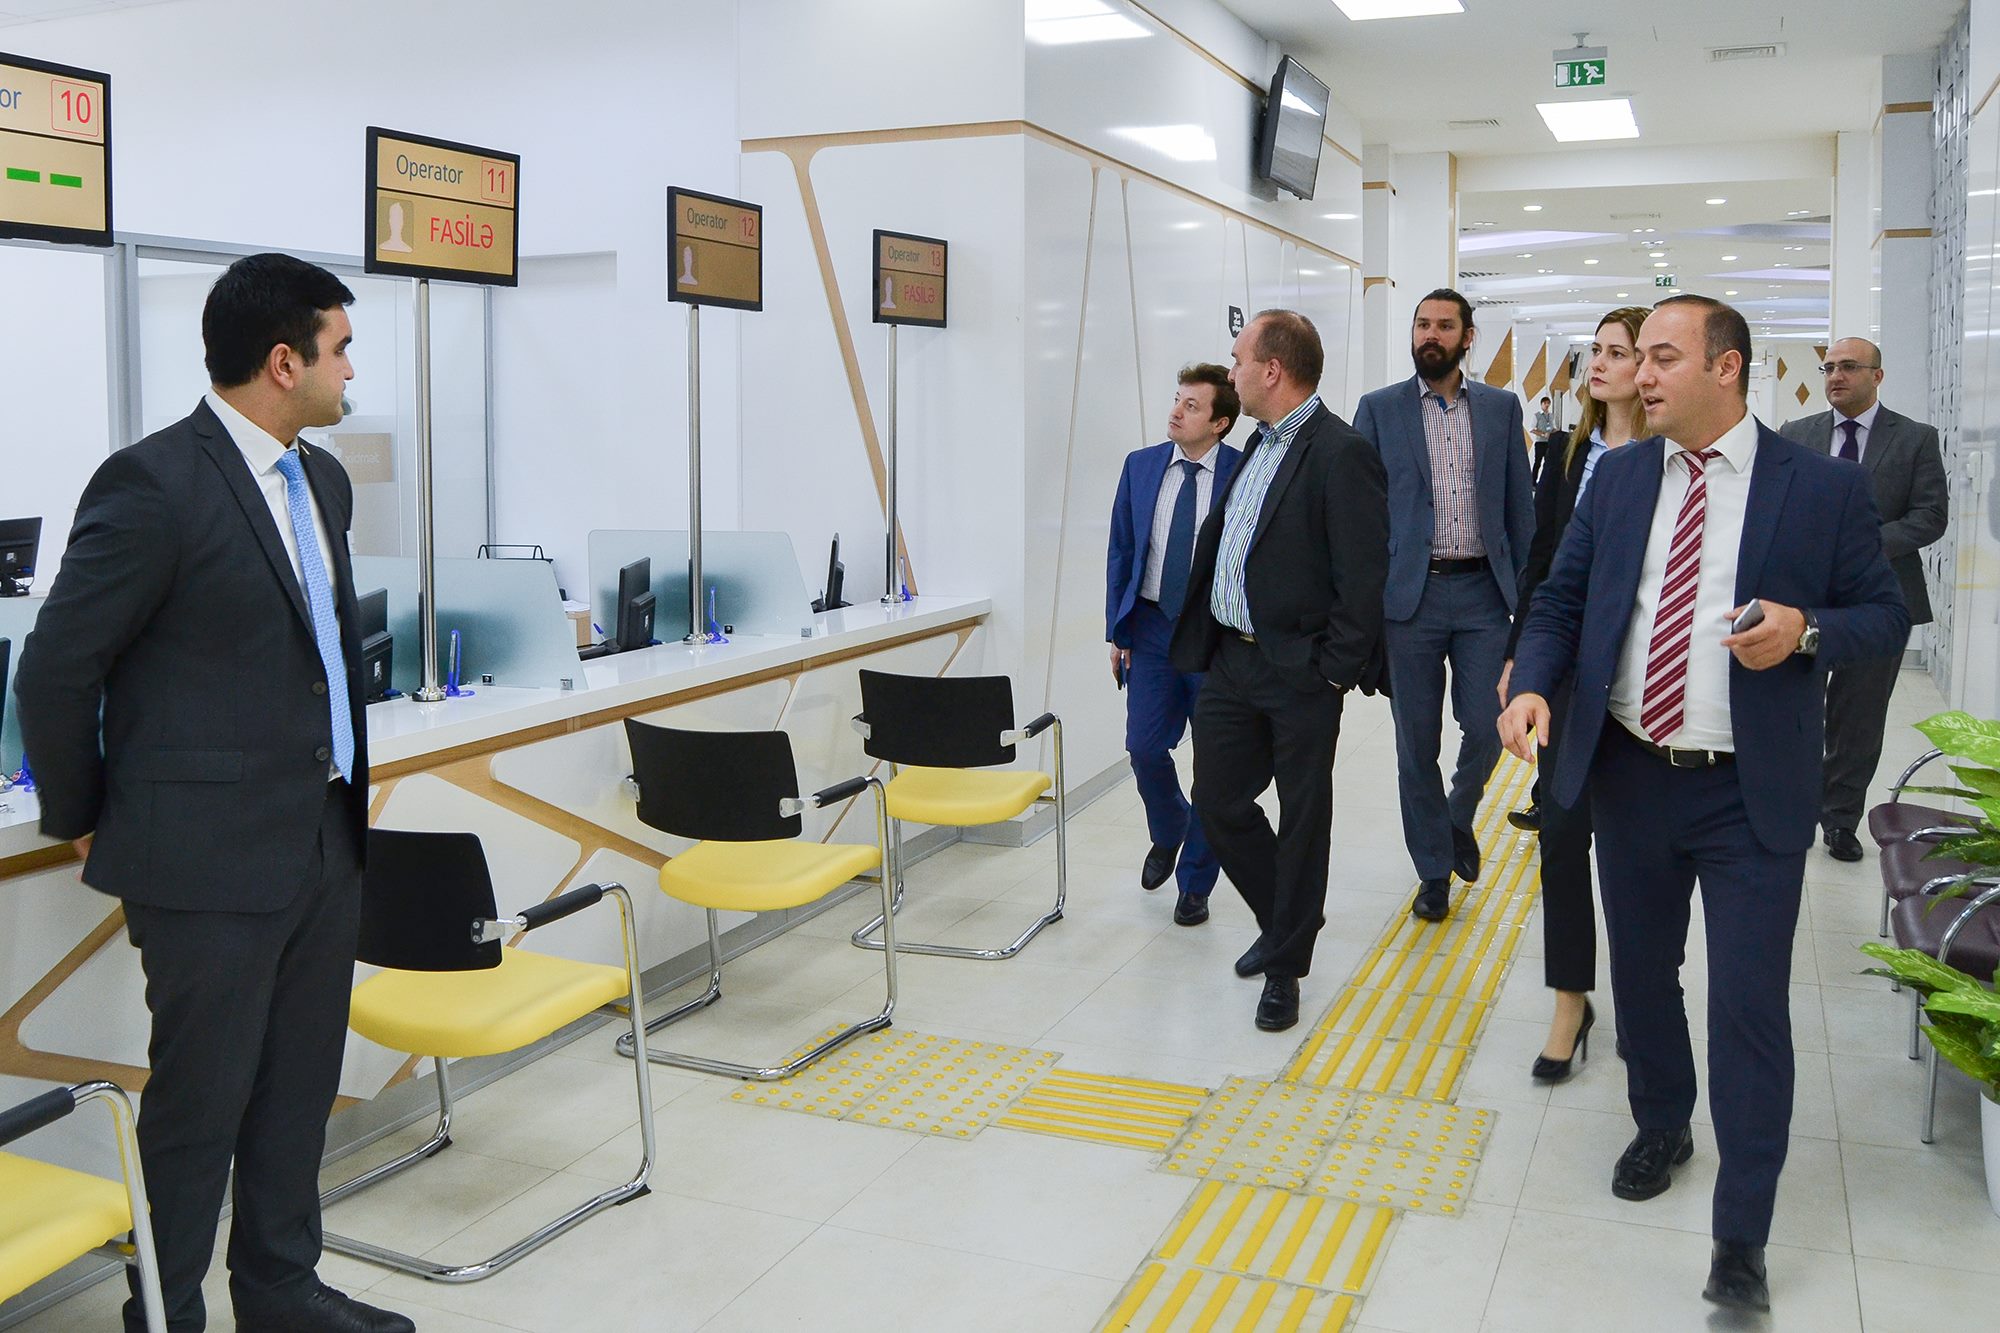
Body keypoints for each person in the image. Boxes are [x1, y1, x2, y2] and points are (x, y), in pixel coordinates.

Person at [15, 254, 410, 1333]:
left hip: (324, 835)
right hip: (204, 857)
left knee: (297, 1088)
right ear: (284, 361)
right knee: (200, 1104)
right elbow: (56, 669)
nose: (351, 370)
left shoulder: (322, 480)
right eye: (340, 349)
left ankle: (280, 1289)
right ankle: (168, 1311)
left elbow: (311, 653)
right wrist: (84, 813)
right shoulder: (153, 483)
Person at [1499, 295, 1907, 1311]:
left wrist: (1805, 629)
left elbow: (1884, 614)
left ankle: (1741, 1233)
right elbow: (1560, 599)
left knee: (1747, 1008)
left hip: (1747, 791)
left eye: (1662, 357)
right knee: (1642, 980)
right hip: (1629, 773)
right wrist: (1534, 682)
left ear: (1725, 368)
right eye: (1637, 357)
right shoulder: (1618, 476)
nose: (1639, 374)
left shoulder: (1819, 488)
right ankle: (1661, 1121)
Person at [1170, 309, 1389, 1033]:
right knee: (1219, 803)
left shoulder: (1341, 452)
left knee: (1301, 818)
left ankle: (1285, 970)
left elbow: (1363, 575)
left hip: (1300, 670)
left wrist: (1332, 671)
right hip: (1231, 660)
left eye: (1238, 359)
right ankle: (1289, 920)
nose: (1230, 371)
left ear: (1272, 370)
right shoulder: (1254, 445)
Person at [1498, 305, 1651, 1082]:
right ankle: (1569, 1000)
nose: (1600, 363)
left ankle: (1646, 999)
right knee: (1561, 836)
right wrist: (1519, 658)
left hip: (1644, 676)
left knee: (1636, 850)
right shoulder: (1566, 451)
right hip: (1565, 670)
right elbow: (1541, 561)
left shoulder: (1668, 459)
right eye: (1597, 350)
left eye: (1617, 352)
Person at [1354, 289, 1534, 922]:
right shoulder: (1379, 410)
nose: (1431, 334)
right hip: (1410, 598)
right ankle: (1433, 870)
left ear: (1467, 337)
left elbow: (1520, 510)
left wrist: (1528, 605)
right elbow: (1357, 512)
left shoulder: (1501, 409)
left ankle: (1456, 815)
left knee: (1488, 725)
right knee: (1415, 742)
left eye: (1444, 326)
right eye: (1422, 324)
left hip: (1484, 592)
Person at [1778, 338, 1948, 862]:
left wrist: (1862, 544)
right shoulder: (1796, 434)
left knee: (1859, 718)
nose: (1835, 376)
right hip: (1804, 598)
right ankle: (1789, 809)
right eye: (1829, 367)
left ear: (1877, 375)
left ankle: (1839, 818)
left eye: (1849, 367)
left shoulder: (1915, 438)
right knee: (1795, 707)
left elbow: (1930, 516)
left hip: (1879, 602)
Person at [1106, 363, 1244, 924]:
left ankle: (1196, 884)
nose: (1176, 412)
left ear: (1220, 422)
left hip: (1214, 634)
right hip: (1152, 627)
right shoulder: (1140, 467)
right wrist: (1118, 630)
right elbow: (1121, 550)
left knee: (1214, 765)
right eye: (1177, 399)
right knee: (1143, 747)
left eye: (1191, 405)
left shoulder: (1243, 472)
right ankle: (1169, 828)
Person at [1531, 394, 1556, 481]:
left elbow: (1552, 428)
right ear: (1541, 404)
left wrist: (1556, 432)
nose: (1547, 405)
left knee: (1548, 463)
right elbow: (1532, 429)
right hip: (1540, 443)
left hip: (1549, 443)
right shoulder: (1536, 415)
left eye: (1548, 403)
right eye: (1545, 403)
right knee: (1537, 463)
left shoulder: (1551, 415)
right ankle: (1533, 482)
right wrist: (1543, 434)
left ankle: (1545, 482)